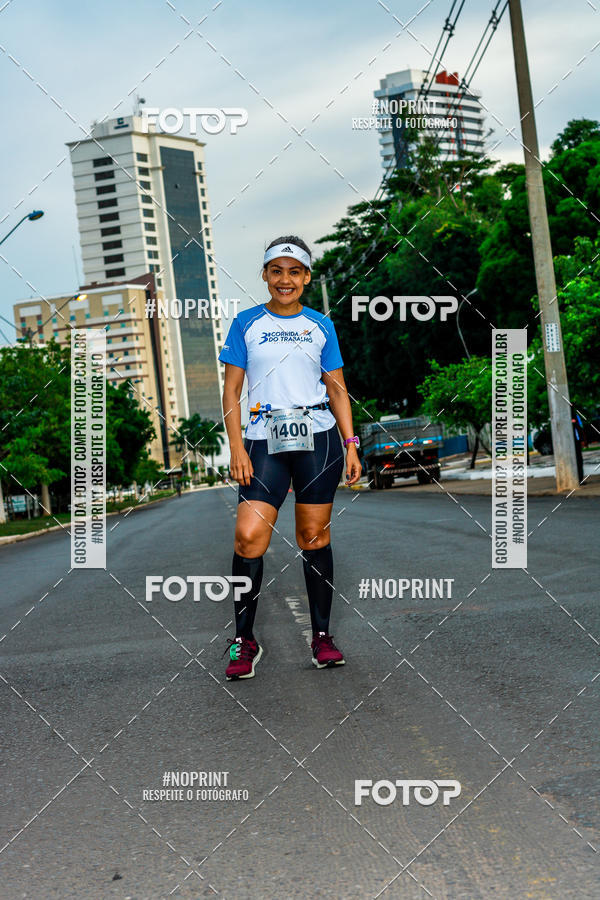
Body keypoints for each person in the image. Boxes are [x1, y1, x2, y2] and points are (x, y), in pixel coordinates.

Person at [218, 236, 362, 680]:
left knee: (313, 536)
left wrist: (351, 442)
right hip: (264, 440)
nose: (285, 280)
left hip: (318, 438)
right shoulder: (245, 323)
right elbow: (232, 390)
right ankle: (245, 640)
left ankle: (321, 637)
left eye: (294, 271)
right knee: (248, 537)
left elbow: (336, 388)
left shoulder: (321, 325)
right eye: (277, 271)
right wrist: (237, 447)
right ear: (264, 275)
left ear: (306, 278)